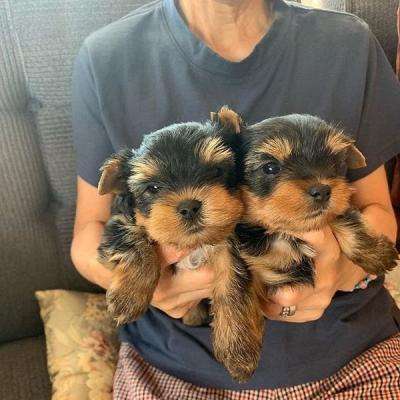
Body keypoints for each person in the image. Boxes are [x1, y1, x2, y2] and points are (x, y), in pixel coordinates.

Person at [71, 0, 400, 398]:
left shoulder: (348, 42)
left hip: (352, 350)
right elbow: (90, 230)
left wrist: (345, 272)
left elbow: (378, 211)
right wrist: (143, 284)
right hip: (173, 363)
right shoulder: (105, 56)